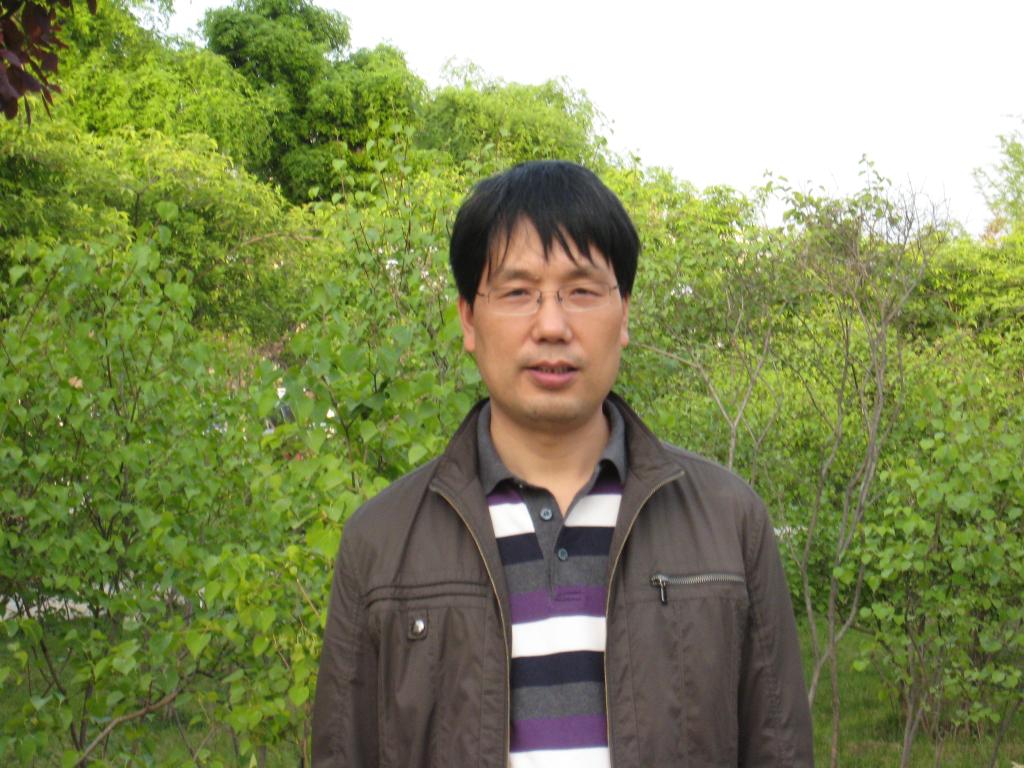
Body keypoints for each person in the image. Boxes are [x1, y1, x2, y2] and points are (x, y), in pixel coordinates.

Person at [311, 160, 814, 767]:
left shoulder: (729, 522)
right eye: (517, 292)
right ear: (468, 318)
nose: (551, 326)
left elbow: (779, 749)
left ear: (624, 313)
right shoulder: (381, 541)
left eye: (581, 292)